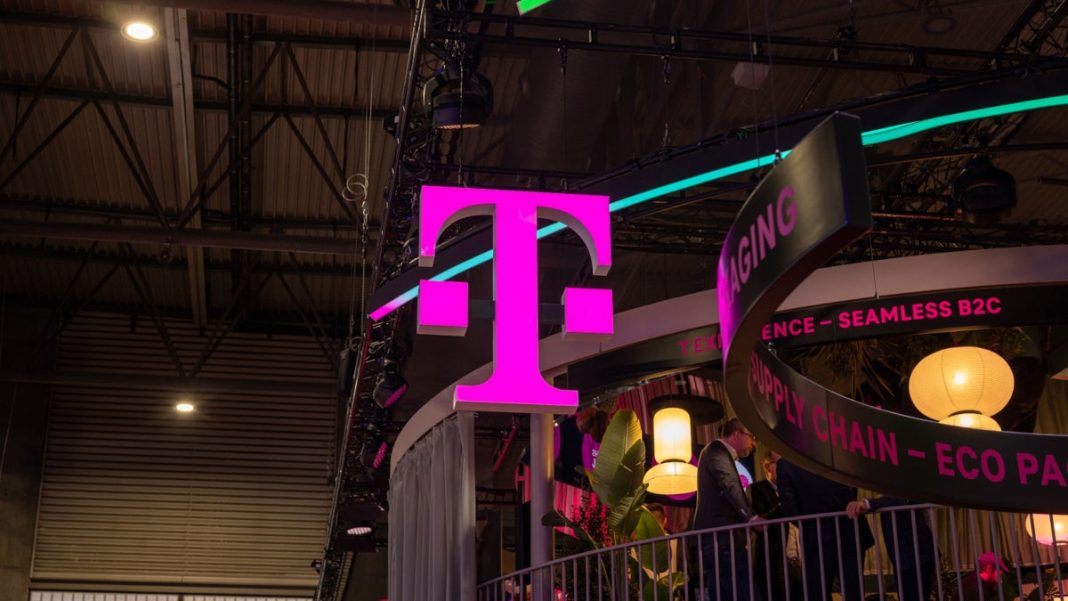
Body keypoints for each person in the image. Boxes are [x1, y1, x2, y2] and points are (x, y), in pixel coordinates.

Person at [777, 459, 874, 601]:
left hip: (816, 535)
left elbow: (790, 511)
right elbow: (852, 485)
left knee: (818, 591)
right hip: (849, 529)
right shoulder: (833, 452)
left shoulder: (787, 464)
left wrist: (808, 524)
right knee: (853, 591)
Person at [693, 418, 762, 601]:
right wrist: (752, 518)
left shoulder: (716, 452)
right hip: (722, 540)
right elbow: (729, 483)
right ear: (737, 434)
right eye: (752, 437)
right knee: (745, 594)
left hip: (720, 540)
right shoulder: (716, 450)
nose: (754, 444)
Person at [846, 496, 936, 601]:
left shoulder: (904, 493)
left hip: (917, 553)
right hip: (905, 556)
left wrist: (866, 504)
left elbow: (901, 497)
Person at [750, 451, 796, 601]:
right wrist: (784, 504)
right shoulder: (756, 489)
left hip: (796, 558)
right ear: (767, 467)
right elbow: (760, 519)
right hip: (772, 560)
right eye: (780, 464)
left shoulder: (791, 489)